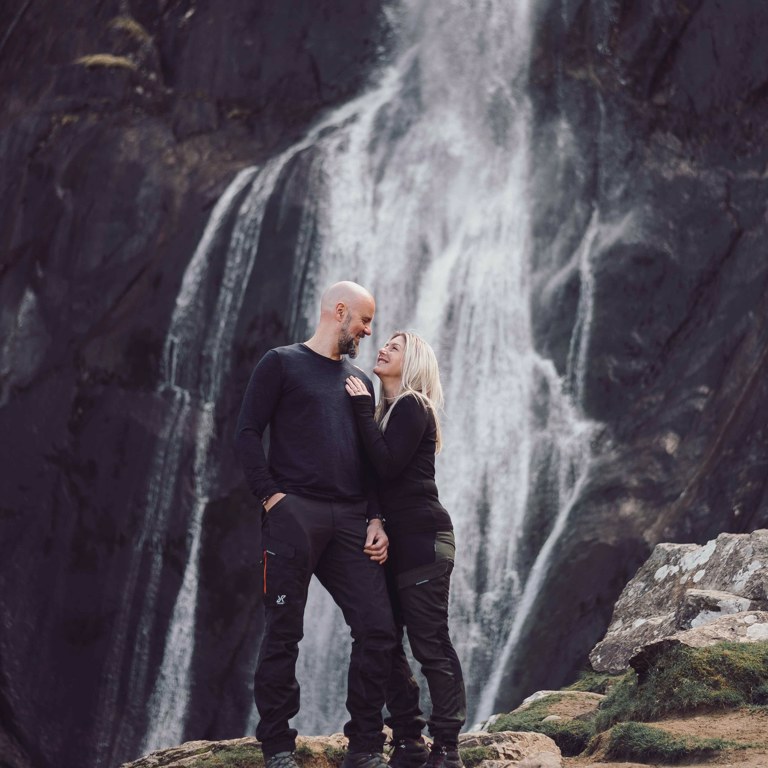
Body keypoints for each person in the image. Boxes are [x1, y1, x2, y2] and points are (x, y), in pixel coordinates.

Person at [235, 281, 396, 768]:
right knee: (284, 630)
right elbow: (246, 432)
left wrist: (375, 517)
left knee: (378, 628)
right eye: (365, 320)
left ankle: (365, 747)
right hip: (294, 512)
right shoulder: (280, 363)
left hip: (351, 518)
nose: (369, 331)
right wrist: (271, 497)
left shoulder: (359, 382)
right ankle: (278, 747)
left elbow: (371, 461)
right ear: (340, 311)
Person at [345, 332, 467, 768]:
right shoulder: (387, 413)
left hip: (424, 541)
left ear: (412, 362)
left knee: (430, 643)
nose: (382, 348)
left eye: (394, 347)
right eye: (385, 343)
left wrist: (359, 408)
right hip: (396, 542)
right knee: (386, 640)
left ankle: (448, 746)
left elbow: (388, 463)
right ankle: (409, 737)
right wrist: (375, 520)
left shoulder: (414, 404)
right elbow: (375, 480)